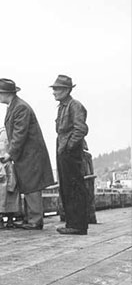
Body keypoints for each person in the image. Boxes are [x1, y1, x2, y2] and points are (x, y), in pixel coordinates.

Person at [0, 78, 55, 230]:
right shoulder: (15, 106)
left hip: (30, 154)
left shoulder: (20, 108)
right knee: (27, 185)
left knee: (32, 185)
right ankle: (29, 218)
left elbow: (19, 134)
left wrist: (10, 154)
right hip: (26, 154)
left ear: (6, 93)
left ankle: (35, 220)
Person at [51, 74, 89, 235]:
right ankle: (72, 223)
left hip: (69, 152)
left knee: (74, 187)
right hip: (63, 150)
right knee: (66, 187)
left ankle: (78, 225)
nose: (54, 92)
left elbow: (81, 129)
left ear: (66, 90)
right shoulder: (63, 106)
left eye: (57, 89)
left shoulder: (75, 105)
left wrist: (70, 147)